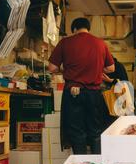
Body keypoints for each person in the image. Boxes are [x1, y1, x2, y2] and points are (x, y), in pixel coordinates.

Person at [48, 17, 115, 155]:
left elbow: (52, 68)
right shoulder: (100, 43)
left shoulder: (65, 42)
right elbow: (111, 68)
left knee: (77, 131)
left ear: (74, 29)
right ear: (88, 29)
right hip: (94, 93)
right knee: (95, 131)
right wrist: (96, 69)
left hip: (73, 93)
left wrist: (65, 70)